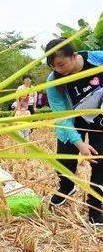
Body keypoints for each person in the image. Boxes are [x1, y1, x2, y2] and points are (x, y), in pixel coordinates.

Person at [44, 39, 103, 226]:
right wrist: (79, 143)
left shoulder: (97, 59)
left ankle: (96, 207)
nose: (59, 70)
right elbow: (61, 116)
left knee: (100, 162)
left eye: (61, 64)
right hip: (73, 118)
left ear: (75, 55)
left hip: (99, 118)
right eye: (54, 67)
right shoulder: (54, 81)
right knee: (64, 158)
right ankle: (67, 186)